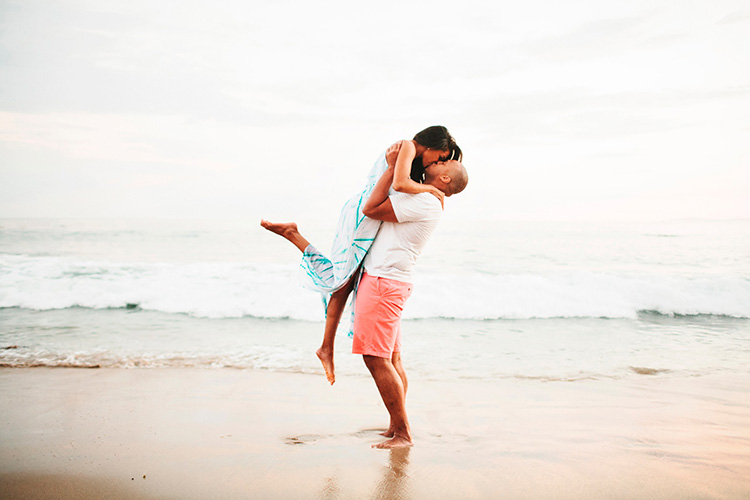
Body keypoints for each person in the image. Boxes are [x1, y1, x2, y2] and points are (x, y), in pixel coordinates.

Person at [263, 159, 469, 448]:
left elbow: (371, 208)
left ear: (445, 179)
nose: (435, 162)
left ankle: (402, 433)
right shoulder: (425, 198)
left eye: (441, 163)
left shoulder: (425, 202)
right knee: (393, 359)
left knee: (375, 358)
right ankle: (395, 426)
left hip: (384, 284)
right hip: (389, 281)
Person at [261, 126, 462, 385]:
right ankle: (326, 347)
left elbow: (399, 186)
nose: (437, 163)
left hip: (368, 216)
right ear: (434, 145)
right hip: (361, 215)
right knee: (340, 278)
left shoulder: (410, 157)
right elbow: (399, 183)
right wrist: (430, 190)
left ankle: (326, 346)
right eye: (440, 158)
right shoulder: (409, 146)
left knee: (344, 279)